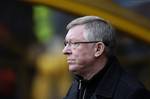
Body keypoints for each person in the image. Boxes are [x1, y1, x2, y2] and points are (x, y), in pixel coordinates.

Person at [62, 16, 150, 99]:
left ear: (98, 49)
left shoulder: (133, 94)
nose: (65, 51)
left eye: (74, 43)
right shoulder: (78, 84)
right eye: (66, 44)